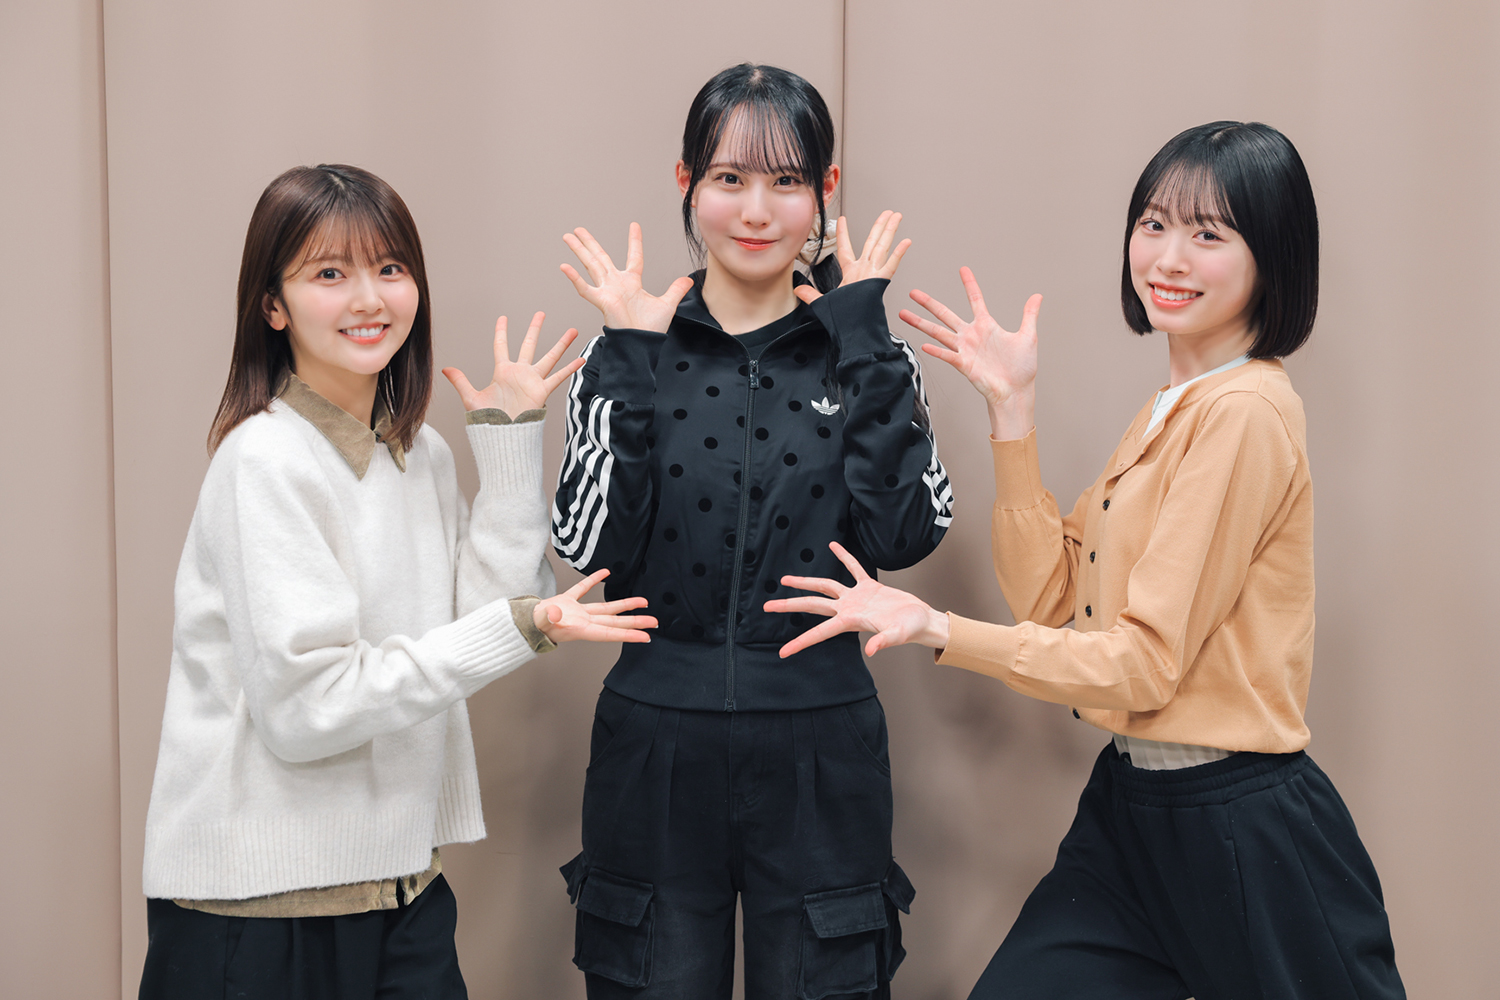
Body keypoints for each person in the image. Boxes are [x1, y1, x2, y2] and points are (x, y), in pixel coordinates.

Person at [767, 122, 1405, 999]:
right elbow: (1052, 596)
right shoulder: (1173, 406)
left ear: (1273, 257)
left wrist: (936, 628)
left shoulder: (1245, 414)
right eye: (1154, 224)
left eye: (1209, 234)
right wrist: (1012, 414)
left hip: (1241, 821)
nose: (1169, 257)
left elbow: (1143, 665)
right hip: (1135, 811)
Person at [138, 163, 655, 999]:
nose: (369, 298)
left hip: (403, 889)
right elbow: (309, 708)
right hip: (258, 911)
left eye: (389, 267)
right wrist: (520, 625)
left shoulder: (417, 453)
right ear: (272, 306)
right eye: (328, 274)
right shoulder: (264, 460)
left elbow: (482, 627)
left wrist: (509, 436)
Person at [550, 63, 952, 999]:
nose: (758, 210)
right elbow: (585, 544)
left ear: (825, 192)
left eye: (787, 181)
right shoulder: (628, 345)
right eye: (729, 178)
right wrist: (631, 357)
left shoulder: (870, 352)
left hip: (823, 745)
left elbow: (908, 531)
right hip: (655, 745)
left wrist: (864, 340)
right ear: (687, 183)